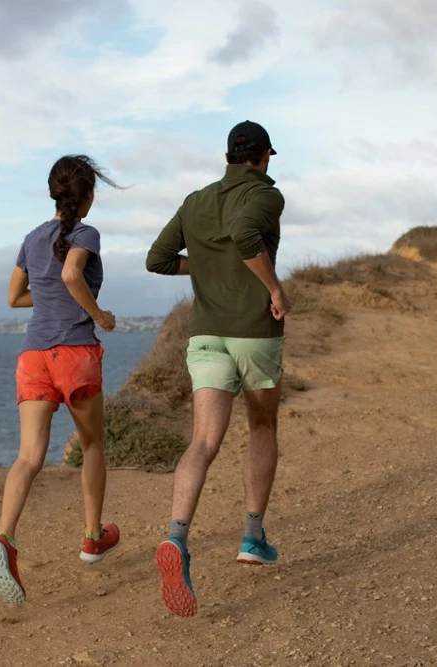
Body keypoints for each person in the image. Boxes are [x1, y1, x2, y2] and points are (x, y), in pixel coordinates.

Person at [145, 120, 290, 617]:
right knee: (262, 424)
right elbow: (246, 233)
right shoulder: (268, 196)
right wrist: (272, 286)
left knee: (203, 441)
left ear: (227, 156)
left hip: (205, 334)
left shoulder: (194, 201)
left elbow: (158, 259)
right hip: (253, 329)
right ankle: (252, 538)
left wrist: (204, 266)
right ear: (265, 156)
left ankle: (176, 540)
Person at [0, 155, 122, 605]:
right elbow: (70, 273)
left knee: (28, 457)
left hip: (33, 356)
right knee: (93, 444)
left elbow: (13, 297)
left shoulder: (31, 237)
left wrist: (48, 300)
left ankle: (4, 537)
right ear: (86, 197)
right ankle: (92, 538)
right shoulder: (85, 233)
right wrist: (98, 314)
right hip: (75, 352)